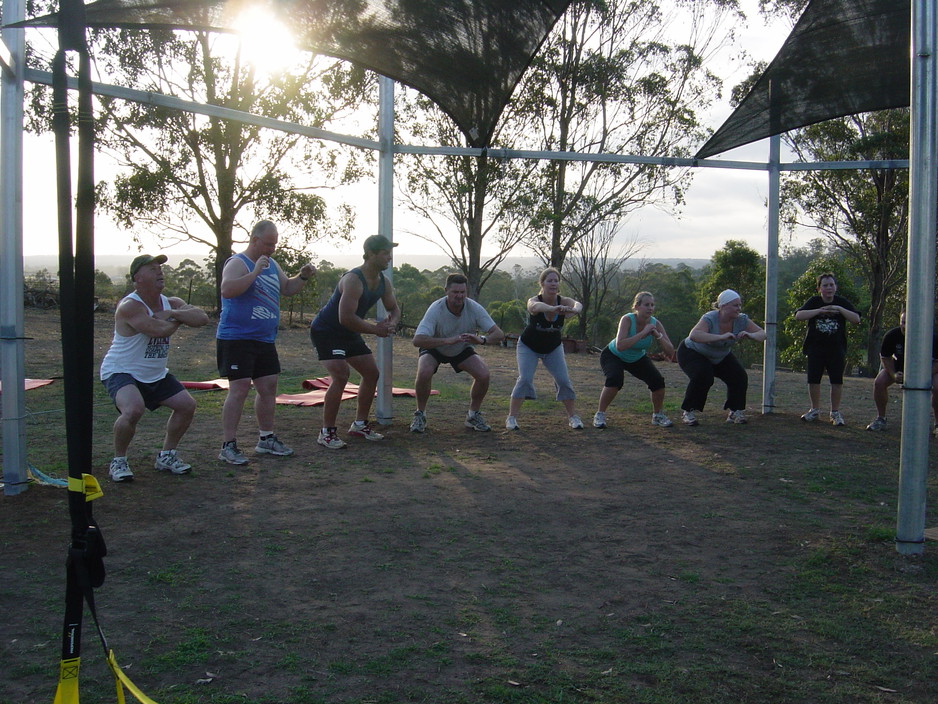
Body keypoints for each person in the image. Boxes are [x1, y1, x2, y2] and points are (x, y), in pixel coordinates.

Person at [100, 254, 209, 482]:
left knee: (186, 406)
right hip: (122, 370)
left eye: (160, 267)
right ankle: (119, 461)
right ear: (137, 278)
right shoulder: (129, 306)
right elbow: (158, 330)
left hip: (155, 374)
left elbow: (202, 318)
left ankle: (166, 456)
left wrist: (174, 314)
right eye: (152, 268)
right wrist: (179, 320)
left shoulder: (172, 303)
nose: (159, 271)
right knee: (133, 410)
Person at [216, 220, 317, 464]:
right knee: (239, 389)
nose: (272, 249)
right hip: (237, 338)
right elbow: (227, 290)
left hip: (264, 339)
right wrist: (253, 273)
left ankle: (266, 439)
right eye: (268, 244)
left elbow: (287, 288)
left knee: (269, 387)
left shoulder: (272, 264)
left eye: (274, 245)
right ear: (254, 240)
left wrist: (302, 277)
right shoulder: (238, 262)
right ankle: (228, 445)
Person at [310, 234, 401, 449]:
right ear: (370, 254)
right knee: (341, 375)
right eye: (385, 253)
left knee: (372, 373)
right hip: (327, 330)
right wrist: (375, 330)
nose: (389, 257)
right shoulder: (353, 280)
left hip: (349, 332)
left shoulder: (383, 282)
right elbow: (345, 317)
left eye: (390, 253)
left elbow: (394, 309)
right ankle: (327, 432)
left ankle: (360, 425)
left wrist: (392, 322)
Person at [410, 273, 505, 433]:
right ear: (446, 290)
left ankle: (473, 415)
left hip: (461, 347)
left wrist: (481, 340)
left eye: (463, 292)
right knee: (424, 372)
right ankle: (420, 414)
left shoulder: (474, 308)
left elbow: (499, 334)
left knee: (483, 375)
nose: (459, 296)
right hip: (435, 346)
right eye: (455, 292)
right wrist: (446, 341)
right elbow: (417, 340)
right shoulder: (436, 309)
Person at [506, 268, 583, 431]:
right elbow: (534, 306)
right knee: (525, 379)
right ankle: (511, 418)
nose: (553, 284)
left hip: (553, 348)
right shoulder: (535, 300)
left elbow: (578, 304)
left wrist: (574, 310)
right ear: (542, 283)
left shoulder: (563, 300)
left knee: (563, 380)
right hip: (529, 346)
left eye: (556, 280)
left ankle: (573, 417)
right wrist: (552, 309)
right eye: (550, 281)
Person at [676, 289, 766, 426]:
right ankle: (688, 412)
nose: (739, 308)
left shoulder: (742, 320)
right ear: (723, 306)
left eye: (739, 305)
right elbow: (694, 335)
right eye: (735, 305)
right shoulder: (710, 318)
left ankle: (735, 411)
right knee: (703, 375)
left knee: (739, 376)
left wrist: (751, 335)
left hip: (720, 355)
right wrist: (720, 337)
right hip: (692, 352)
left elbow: (762, 334)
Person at [594, 291, 676, 430]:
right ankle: (600, 414)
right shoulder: (627, 319)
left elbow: (670, 352)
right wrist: (643, 333)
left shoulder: (655, 323)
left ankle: (657, 415)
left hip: (636, 357)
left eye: (652, 305)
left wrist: (657, 335)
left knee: (657, 381)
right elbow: (620, 346)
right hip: (614, 355)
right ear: (637, 307)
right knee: (615, 379)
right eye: (646, 305)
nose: (650, 308)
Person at [794, 272, 861, 426]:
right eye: (825, 285)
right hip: (815, 348)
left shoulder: (841, 302)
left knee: (836, 381)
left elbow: (856, 319)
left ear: (835, 287)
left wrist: (838, 308)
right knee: (813, 380)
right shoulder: (814, 301)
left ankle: (835, 413)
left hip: (836, 349)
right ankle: (815, 410)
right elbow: (798, 315)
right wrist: (820, 311)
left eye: (831, 285)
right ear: (819, 289)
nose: (829, 288)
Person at [866, 312, 938, 432]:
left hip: (927, 370)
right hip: (900, 368)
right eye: (903, 322)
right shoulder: (892, 335)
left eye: (910, 322)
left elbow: (937, 362)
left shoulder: (932, 337)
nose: (906, 326)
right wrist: (893, 374)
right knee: (879, 382)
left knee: (937, 387)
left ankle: (937, 424)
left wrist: (922, 376)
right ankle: (881, 418)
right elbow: (885, 357)